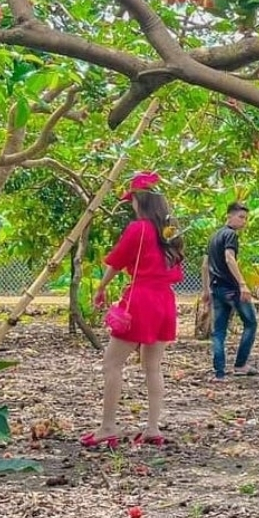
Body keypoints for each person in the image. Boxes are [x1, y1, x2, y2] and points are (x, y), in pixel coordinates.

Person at [83, 171, 184, 449]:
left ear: (139, 200)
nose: (131, 205)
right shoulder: (171, 231)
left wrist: (101, 287)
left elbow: (117, 261)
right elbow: (175, 270)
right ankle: (153, 427)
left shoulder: (138, 229)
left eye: (132, 200)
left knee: (111, 363)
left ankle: (107, 426)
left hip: (141, 297)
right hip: (165, 300)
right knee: (153, 366)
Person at [201, 202, 259, 380]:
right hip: (232, 289)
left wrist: (206, 289)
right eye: (241, 217)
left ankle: (219, 372)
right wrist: (242, 284)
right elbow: (229, 258)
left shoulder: (213, 236)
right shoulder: (230, 235)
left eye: (245, 218)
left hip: (217, 289)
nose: (244, 222)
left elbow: (204, 265)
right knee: (251, 323)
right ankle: (240, 364)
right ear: (229, 216)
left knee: (218, 331)